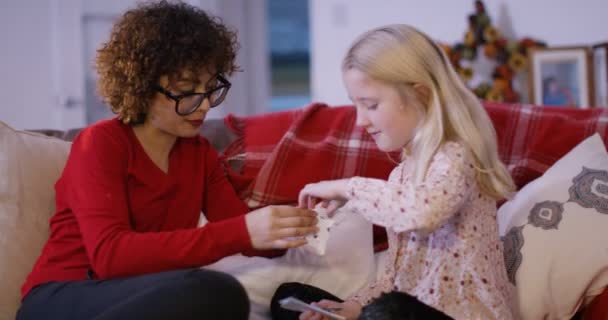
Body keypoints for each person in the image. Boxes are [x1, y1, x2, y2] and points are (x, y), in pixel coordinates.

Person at [16, 2, 318, 320]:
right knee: (215, 291)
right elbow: (111, 256)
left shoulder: (198, 153)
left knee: (255, 296)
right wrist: (244, 231)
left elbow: (247, 236)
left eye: (210, 88)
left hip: (146, 295)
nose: (203, 106)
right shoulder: (101, 143)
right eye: (187, 91)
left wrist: (297, 224)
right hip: (62, 297)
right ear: (142, 86)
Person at [272, 24, 516, 319]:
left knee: (393, 310)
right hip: (402, 307)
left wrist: (347, 188)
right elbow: (395, 279)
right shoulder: (399, 176)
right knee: (290, 297)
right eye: (356, 105)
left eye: (371, 105)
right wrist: (350, 308)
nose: (360, 121)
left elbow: (423, 213)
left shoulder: (456, 154)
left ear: (421, 95)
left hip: (462, 314)